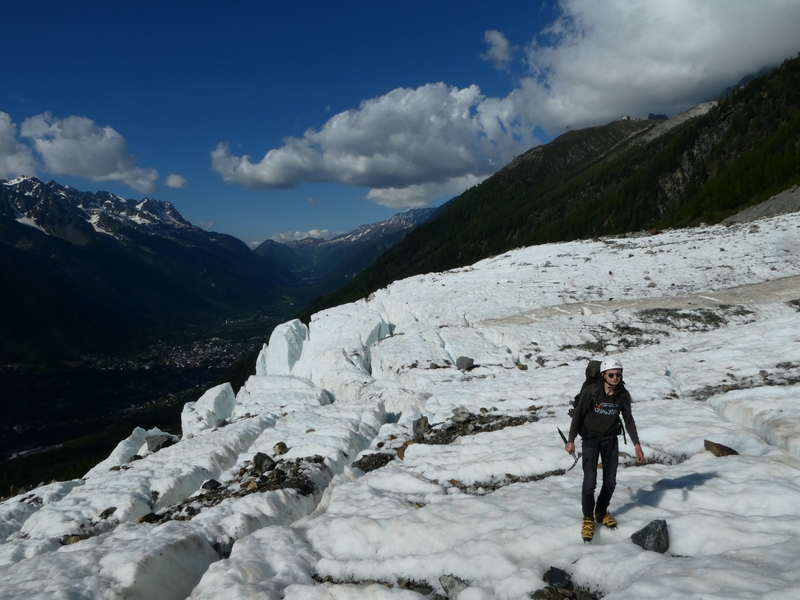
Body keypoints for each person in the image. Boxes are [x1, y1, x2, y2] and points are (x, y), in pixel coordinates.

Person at [564, 357, 644, 542]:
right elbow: (578, 416)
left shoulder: (622, 395)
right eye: (612, 374)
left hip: (610, 440)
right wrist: (571, 440)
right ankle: (588, 518)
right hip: (591, 439)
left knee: (610, 482)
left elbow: (628, 420)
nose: (615, 377)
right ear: (603, 375)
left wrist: (636, 444)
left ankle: (600, 512)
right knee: (590, 482)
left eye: (618, 374)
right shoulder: (592, 391)